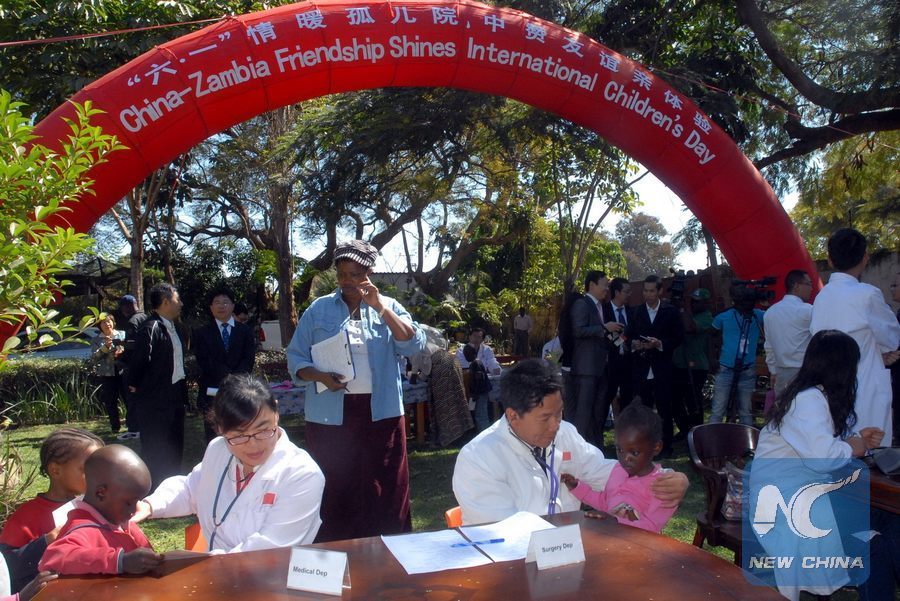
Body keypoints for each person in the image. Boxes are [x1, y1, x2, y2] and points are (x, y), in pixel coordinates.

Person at [286, 240, 426, 542]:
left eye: (354, 274)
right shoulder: (318, 309)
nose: (347, 281)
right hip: (330, 417)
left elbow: (413, 345)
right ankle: (335, 554)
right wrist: (321, 377)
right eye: (342, 274)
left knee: (386, 487)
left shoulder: (389, 306)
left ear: (369, 273)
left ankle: (389, 552)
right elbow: (295, 358)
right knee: (335, 485)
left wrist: (380, 307)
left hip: (382, 414)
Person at [451, 358, 689, 525]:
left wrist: (668, 479)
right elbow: (503, 534)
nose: (555, 425)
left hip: (566, 554)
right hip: (510, 566)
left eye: (559, 413)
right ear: (513, 416)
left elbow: (608, 473)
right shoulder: (479, 458)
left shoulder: (565, 434)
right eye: (545, 418)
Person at [754, 330, 885, 601]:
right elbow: (822, 459)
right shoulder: (809, 399)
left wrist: (856, 440)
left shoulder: (809, 395)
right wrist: (854, 446)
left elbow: (818, 444)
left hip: (792, 489)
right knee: (876, 531)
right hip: (784, 498)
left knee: (878, 521)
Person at [134, 374, 325, 551]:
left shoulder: (302, 475)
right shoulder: (219, 449)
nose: (253, 444)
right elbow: (193, 488)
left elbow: (269, 549)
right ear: (219, 428)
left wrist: (202, 562)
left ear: (276, 412)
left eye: (263, 430)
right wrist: (150, 505)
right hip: (217, 568)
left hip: (270, 573)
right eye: (239, 435)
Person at [810, 228, 900, 443]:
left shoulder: (822, 297)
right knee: (869, 441)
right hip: (864, 379)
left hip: (830, 380)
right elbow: (891, 337)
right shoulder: (867, 294)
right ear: (865, 258)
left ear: (830, 260)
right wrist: (881, 351)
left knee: (837, 439)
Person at [0, 429, 103, 592]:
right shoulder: (26, 517)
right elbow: (6, 567)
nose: (97, 477)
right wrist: (47, 541)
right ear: (56, 470)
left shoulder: (95, 505)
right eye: (87, 470)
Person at [38, 445, 161, 576]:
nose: (134, 509)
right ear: (101, 493)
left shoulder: (122, 522)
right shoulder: (82, 529)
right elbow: (53, 558)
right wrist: (119, 561)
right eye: (129, 502)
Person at [560, 403, 677, 533]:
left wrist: (614, 521)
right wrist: (577, 487)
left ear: (656, 447)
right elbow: (605, 502)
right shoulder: (617, 470)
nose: (625, 458)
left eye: (634, 452)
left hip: (640, 543)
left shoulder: (663, 486)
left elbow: (652, 527)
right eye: (620, 450)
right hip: (612, 538)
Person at [127, 282, 187, 489]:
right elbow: (139, 362)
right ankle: (152, 489)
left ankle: (173, 487)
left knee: (175, 443)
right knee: (156, 447)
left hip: (174, 396)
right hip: (155, 401)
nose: (181, 304)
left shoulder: (173, 327)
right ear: (165, 302)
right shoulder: (150, 327)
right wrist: (135, 385)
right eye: (177, 299)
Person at [626, 275, 684, 455]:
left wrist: (659, 344)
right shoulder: (635, 312)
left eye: (652, 291)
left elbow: (678, 337)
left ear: (660, 291)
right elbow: (628, 336)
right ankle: (643, 446)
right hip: (641, 367)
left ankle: (666, 446)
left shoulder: (670, 312)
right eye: (645, 290)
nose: (648, 294)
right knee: (642, 410)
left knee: (665, 409)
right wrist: (634, 344)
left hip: (662, 367)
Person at [193, 288, 257, 442]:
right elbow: (204, 360)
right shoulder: (201, 333)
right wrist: (226, 376)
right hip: (212, 391)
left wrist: (234, 379)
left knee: (241, 432)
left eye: (225, 302)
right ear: (211, 307)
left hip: (239, 390)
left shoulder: (245, 331)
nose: (221, 306)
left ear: (233, 306)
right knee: (215, 435)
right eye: (217, 302)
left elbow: (248, 359)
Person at [569, 271, 623, 445]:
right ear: (592, 285)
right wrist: (605, 328)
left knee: (597, 413)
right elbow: (578, 330)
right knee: (584, 414)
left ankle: (595, 449)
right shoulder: (582, 304)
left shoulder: (599, 305)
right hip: (586, 369)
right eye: (604, 285)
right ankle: (578, 448)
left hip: (600, 368)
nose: (607, 289)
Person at [709, 284, 765, 426]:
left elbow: (774, 318)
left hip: (747, 369)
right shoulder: (724, 317)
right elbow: (711, 337)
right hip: (726, 368)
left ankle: (746, 438)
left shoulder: (757, 315)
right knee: (718, 410)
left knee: (745, 411)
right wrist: (713, 358)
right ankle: (711, 438)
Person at [764, 270, 814, 396]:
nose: (812, 288)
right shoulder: (808, 311)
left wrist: (773, 371)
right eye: (808, 284)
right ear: (796, 286)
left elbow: (769, 346)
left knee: (783, 407)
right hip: (804, 373)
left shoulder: (770, 312)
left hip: (781, 373)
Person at [671, 288, 714, 434]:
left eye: (697, 302)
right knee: (675, 400)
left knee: (693, 400)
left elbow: (690, 327)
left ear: (705, 303)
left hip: (696, 366)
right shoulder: (687, 314)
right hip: (679, 364)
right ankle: (684, 430)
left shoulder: (707, 317)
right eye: (692, 301)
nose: (693, 304)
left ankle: (697, 432)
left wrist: (682, 309)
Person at [601, 277, 634, 429]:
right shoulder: (603, 311)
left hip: (628, 364)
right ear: (617, 292)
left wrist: (633, 343)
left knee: (628, 402)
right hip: (609, 365)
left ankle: (627, 433)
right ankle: (597, 435)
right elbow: (604, 335)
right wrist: (619, 340)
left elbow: (633, 333)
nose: (629, 294)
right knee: (604, 401)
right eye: (626, 292)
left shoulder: (632, 312)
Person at [115, 294, 146, 440]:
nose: (123, 311)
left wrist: (120, 347)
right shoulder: (145, 317)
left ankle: (134, 429)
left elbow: (133, 345)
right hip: (145, 366)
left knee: (132, 398)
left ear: (127, 307)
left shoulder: (132, 321)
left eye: (123, 307)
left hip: (132, 366)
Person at [89, 314, 125, 433]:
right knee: (111, 401)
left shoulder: (122, 334)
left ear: (113, 322)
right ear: (99, 325)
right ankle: (115, 427)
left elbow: (130, 350)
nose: (107, 324)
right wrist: (105, 347)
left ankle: (133, 425)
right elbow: (94, 358)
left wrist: (122, 350)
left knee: (128, 399)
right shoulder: (96, 339)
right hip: (107, 374)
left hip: (123, 372)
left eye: (109, 321)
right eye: (103, 322)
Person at [463, 343, 494, 432]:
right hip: (479, 392)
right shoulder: (475, 363)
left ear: (474, 353)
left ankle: (485, 433)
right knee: (479, 413)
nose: (466, 356)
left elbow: (479, 380)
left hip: (480, 393)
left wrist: (475, 394)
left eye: (467, 354)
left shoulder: (476, 364)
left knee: (481, 415)